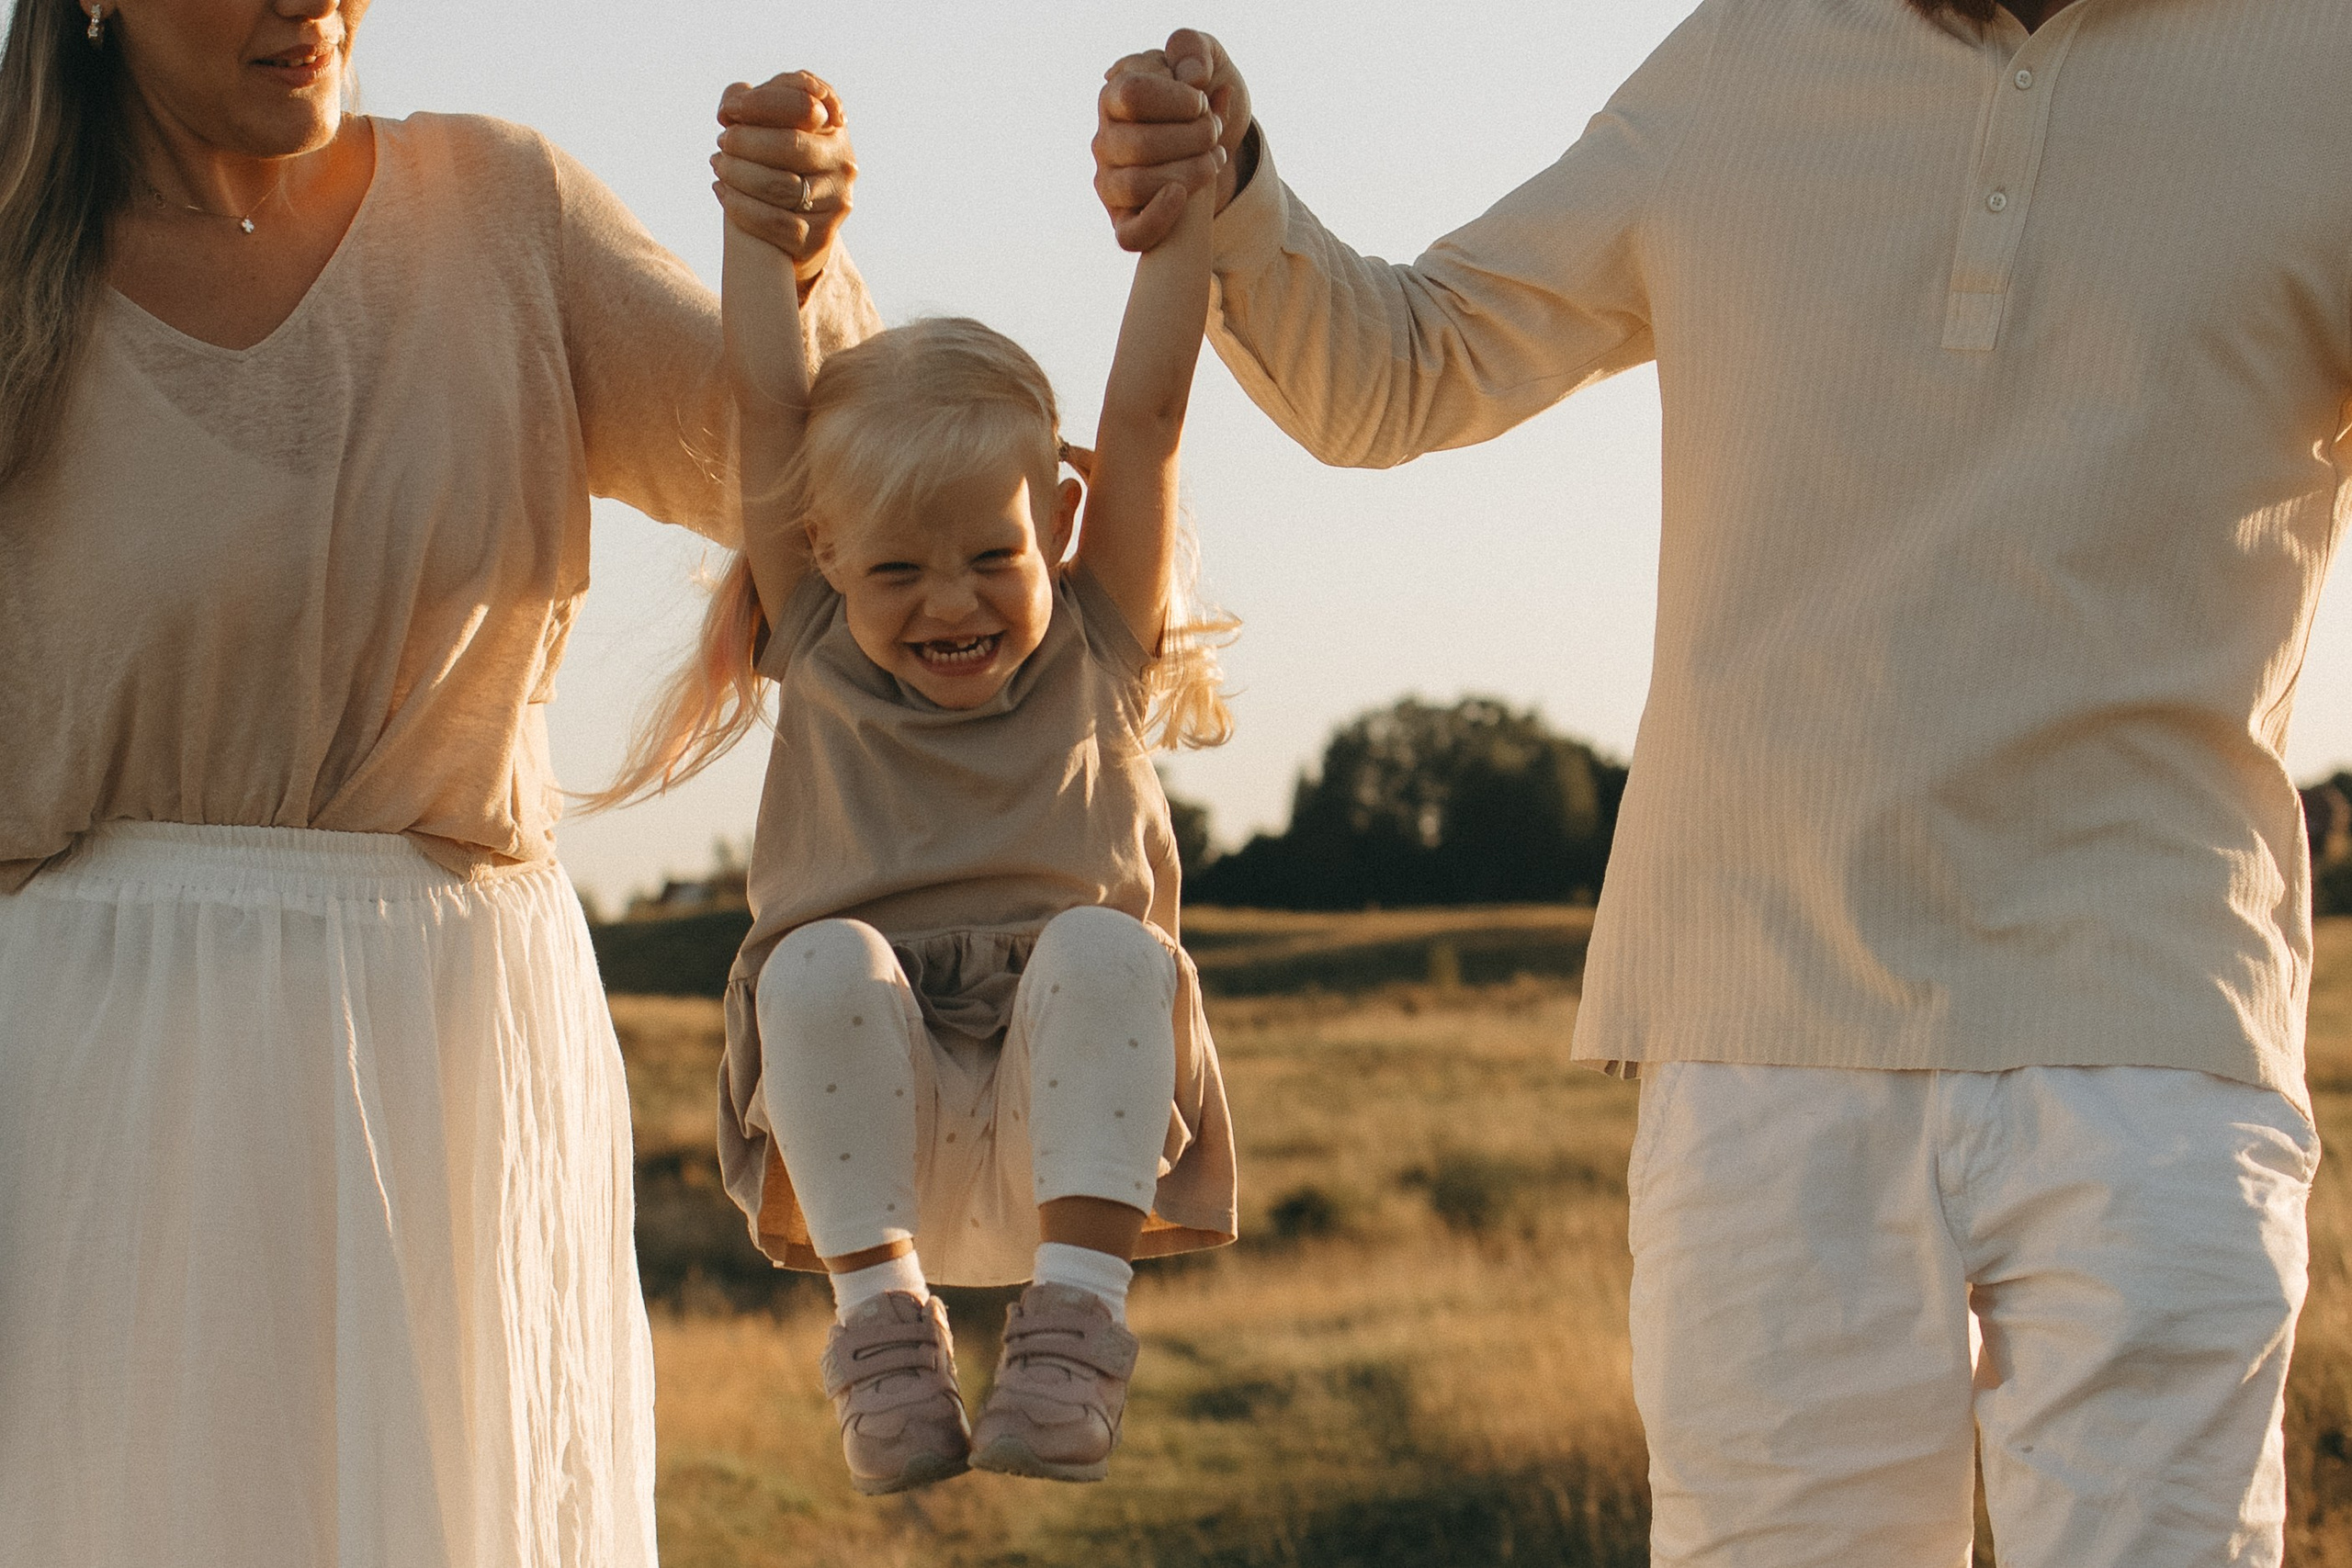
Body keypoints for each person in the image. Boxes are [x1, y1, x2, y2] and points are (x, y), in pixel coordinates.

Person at [1093, 5, 2351, 1564]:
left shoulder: (2322, 69)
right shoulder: (1746, 58)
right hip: (1763, 1044)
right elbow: (1400, 370)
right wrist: (1235, 187)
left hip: (2157, 1040)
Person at [0, 0, 872, 1561]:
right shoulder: (11, 279)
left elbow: (820, 502)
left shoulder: (502, 212)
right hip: (101, 1079)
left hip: (453, 1048)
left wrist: (788, 270)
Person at [597, 83, 1241, 1497]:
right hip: (866, 1137)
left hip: (1072, 1128)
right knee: (817, 961)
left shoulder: (1098, 636)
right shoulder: (815, 644)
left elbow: (1148, 413)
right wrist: (757, 224)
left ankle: (1074, 1339)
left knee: (1106, 950)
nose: (949, 604)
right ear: (824, 554)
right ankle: (885, 1346)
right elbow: (768, 404)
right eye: (897, 569)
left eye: (990, 560)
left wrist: (1184, 210)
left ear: (1057, 526)